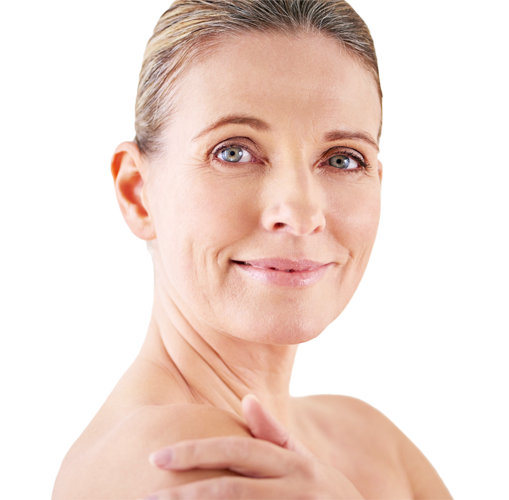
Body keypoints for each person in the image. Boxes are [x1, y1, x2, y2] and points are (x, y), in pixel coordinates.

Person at [52, 0, 452, 498]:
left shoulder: (369, 438)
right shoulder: (173, 460)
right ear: (138, 192)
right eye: (233, 151)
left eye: (343, 159)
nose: (301, 213)